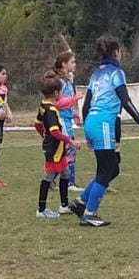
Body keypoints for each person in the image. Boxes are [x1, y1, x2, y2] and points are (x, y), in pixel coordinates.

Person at [69, 36, 139, 227]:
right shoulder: (116, 72)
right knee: (109, 169)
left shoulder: (96, 73)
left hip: (92, 121)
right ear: (116, 52)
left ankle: (80, 203)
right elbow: (126, 101)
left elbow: (87, 103)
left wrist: (87, 130)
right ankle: (89, 214)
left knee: (109, 167)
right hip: (104, 123)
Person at [34, 73, 82, 218]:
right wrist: (70, 140)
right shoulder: (51, 110)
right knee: (49, 176)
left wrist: (43, 134)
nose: (61, 94)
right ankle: (41, 209)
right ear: (56, 92)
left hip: (56, 147)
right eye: (61, 91)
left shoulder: (43, 105)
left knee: (65, 172)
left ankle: (64, 206)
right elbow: (55, 131)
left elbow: (37, 124)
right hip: (54, 148)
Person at [53, 51, 83, 191]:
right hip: (60, 121)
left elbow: (67, 104)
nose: (74, 64)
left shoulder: (68, 82)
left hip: (67, 119)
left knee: (65, 151)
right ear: (64, 64)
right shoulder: (59, 82)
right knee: (68, 150)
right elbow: (57, 103)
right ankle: (69, 182)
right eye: (72, 62)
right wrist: (75, 99)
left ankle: (53, 180)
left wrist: (74, 113)